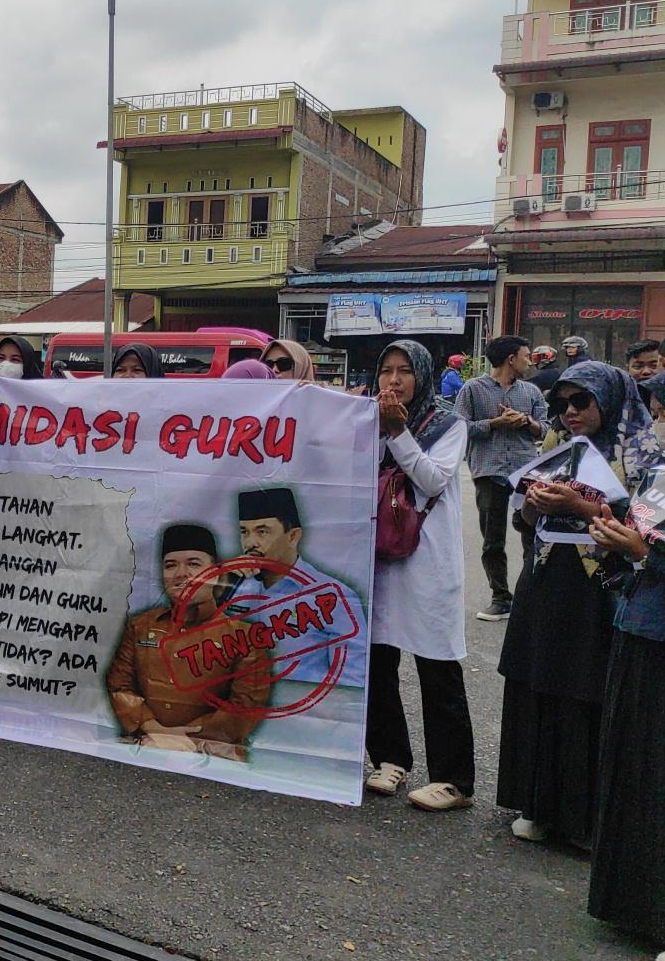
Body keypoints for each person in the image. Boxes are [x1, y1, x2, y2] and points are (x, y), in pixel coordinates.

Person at [499, 361, 656, 848]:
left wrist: (582, 508)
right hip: (547, 580)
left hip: (602, 590)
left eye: (580, 402)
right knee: (538, 685)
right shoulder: (555, 446)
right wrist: (534, 505)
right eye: (561, 403)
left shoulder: (641, 452)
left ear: (607, 401)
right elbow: (524, 520)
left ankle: (585, 818)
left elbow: (652, 527)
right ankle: (538, 803)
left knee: (587, 695)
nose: (569, 412)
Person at [585, 361, 665, 959]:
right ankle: (632, 905)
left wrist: (642, 550)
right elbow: (644, 553)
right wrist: (613, 537)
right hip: (641, 632)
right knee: (637, 773)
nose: (661, 426)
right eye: (655, 415)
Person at [364, 340, 474, 812]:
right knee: (377, 661)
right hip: (378, 557)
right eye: (386, 370)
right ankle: (389, 758)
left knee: (437, 664)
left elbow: (431, 479)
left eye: (404, 371)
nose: (393, 380)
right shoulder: (364, 420)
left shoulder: (449, 425)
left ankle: (454, 779)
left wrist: (398, 434)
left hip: (427, 562)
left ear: (423, 376)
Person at [106, 523, 273, 761]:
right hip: (144, 746)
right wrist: (153, 728)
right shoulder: (140, 626)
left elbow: (245, 706)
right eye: (170, 565)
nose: (181, 573)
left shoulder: (245, 637)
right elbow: (119, 686)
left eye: (194, 564)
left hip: (215, 757)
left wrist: (183, 739)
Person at [225, 487, 360, 688]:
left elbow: (352, 681)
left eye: (262, 532)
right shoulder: (234, 588)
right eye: (244, 532)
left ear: (293, 536)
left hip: (303, 713)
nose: (250, 543)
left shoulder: (331, 595)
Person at [457, 335, 549, 622]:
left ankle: (529, 596)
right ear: (511, 359)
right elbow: (458, 429)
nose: (529, 360)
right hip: (489, 471)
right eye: (525, 355)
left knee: (532, 536)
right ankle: (501, 598)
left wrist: (527, 422)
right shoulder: (473, 389)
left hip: (526, 471)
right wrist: (495, 424)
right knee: (492, 539)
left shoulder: (531, 392)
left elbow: (546, 430)